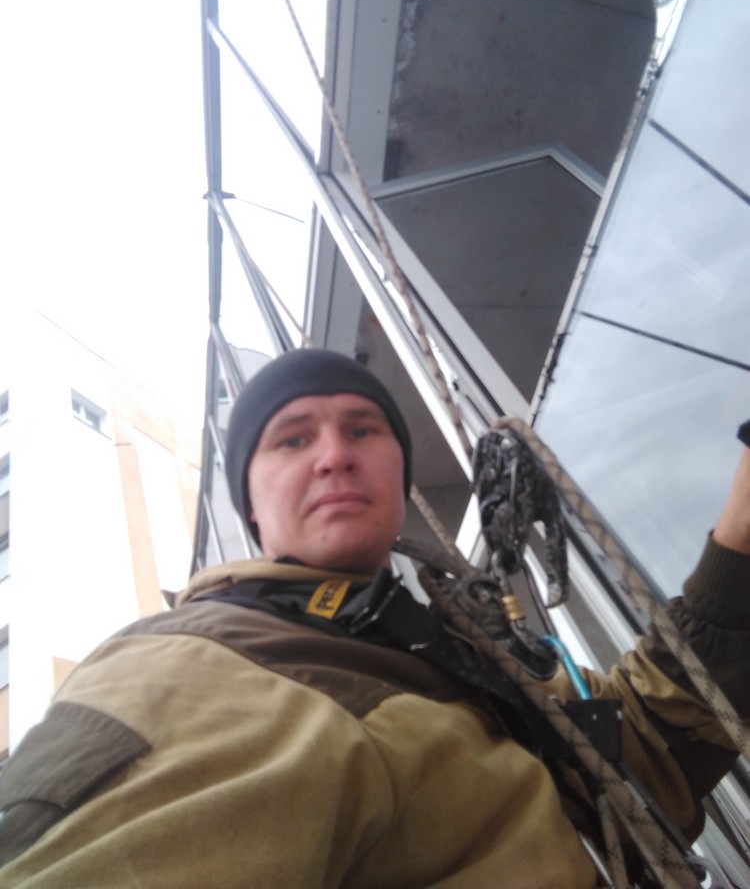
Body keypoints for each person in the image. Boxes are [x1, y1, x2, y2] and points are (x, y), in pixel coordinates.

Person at [0, 348, 748, 888]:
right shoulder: (185, 661)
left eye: (363, 430)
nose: (334, 455)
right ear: (251, 507)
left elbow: (644, 740)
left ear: (397, 470)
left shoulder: (457, 648)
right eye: (292, 439)